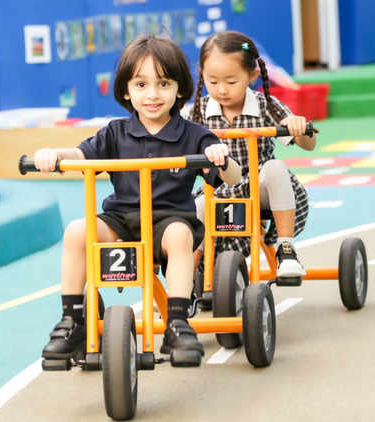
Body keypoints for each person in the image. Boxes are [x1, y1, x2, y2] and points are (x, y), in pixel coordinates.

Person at [34, 33, 241, 364]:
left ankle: (177, 323)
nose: (152, 95)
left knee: (180, 235)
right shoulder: (116, 132)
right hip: (122, 220)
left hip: (167, 221)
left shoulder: (194, 135)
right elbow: (79, 155)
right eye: (141, 85)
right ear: (126, 91)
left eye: (163, 83)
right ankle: (72, 320)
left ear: (180, 89)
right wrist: (51, 154)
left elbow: (233, 177)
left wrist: (221, 157)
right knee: (76, 230)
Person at [189, 31, 316, 278]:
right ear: (202, 75)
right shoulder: (198, 110)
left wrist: (299, 127)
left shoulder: (264, 104)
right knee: (196, 207)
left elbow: (308, 145)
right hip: (218, 189)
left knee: (275, 167)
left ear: (252, 75)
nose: (222, 90)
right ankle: (185, 283)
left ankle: (286, 248)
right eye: (212, 81)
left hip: (261, 186)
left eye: (231, 81)